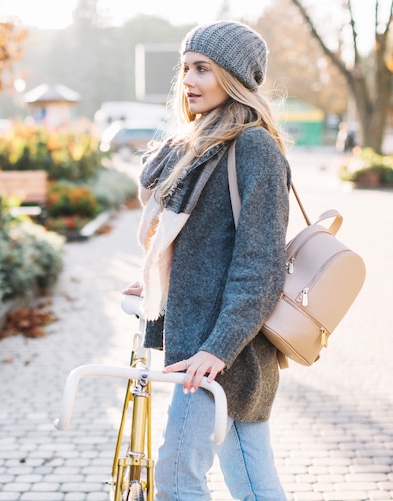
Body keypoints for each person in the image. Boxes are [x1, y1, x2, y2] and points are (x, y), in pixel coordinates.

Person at [123, 21, 290, 500]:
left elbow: (260, 265)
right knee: (251, 483)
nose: (189, 81)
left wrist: (217, 349)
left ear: (234, 77)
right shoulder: (201, 145)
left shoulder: (253, 146)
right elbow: (203, 248)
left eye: (203, 69)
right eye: (186, 68)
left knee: (177, 480)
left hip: (221, 352)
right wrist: (160, 284)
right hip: (206, 347)